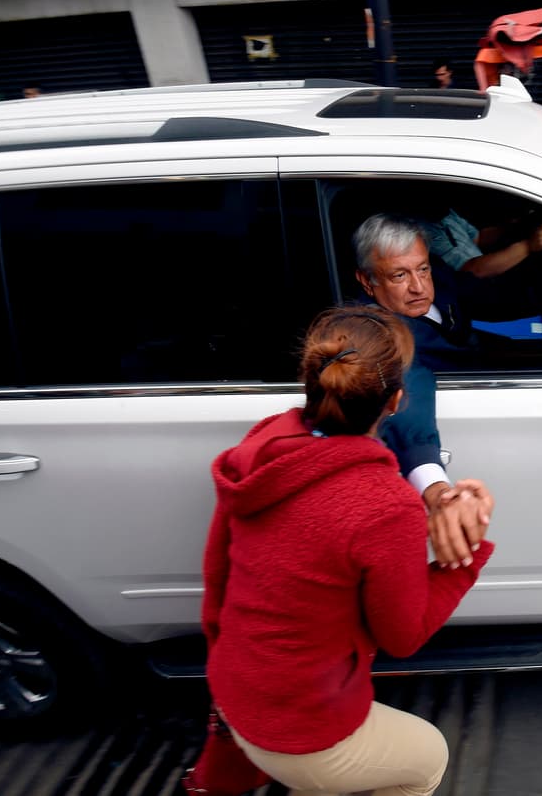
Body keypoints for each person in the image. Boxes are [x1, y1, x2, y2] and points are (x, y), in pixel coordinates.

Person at [203, 305, 494, 796]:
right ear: (397, 400)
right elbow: (402, 636)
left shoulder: (266, 442)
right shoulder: (384, 503)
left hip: (231, 687)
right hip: (301, 731)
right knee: (428, 759)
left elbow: (217, 575)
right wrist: (465, 554)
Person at [354, 214, 542, 564]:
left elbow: (493, 296)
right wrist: (437, 492)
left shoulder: (434, 284)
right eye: (400, 275)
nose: (418, 286)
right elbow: (407, 401)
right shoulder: (380, 334)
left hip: (482, 358)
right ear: (367, 281)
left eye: (422, 269)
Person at [420, 208, 542, 278]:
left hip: (492, 273)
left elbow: (479, 238)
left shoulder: (447, 215)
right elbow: (473, 271)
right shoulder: (421, 231)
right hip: (478, 290)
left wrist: (513, 226)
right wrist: (528, 246)